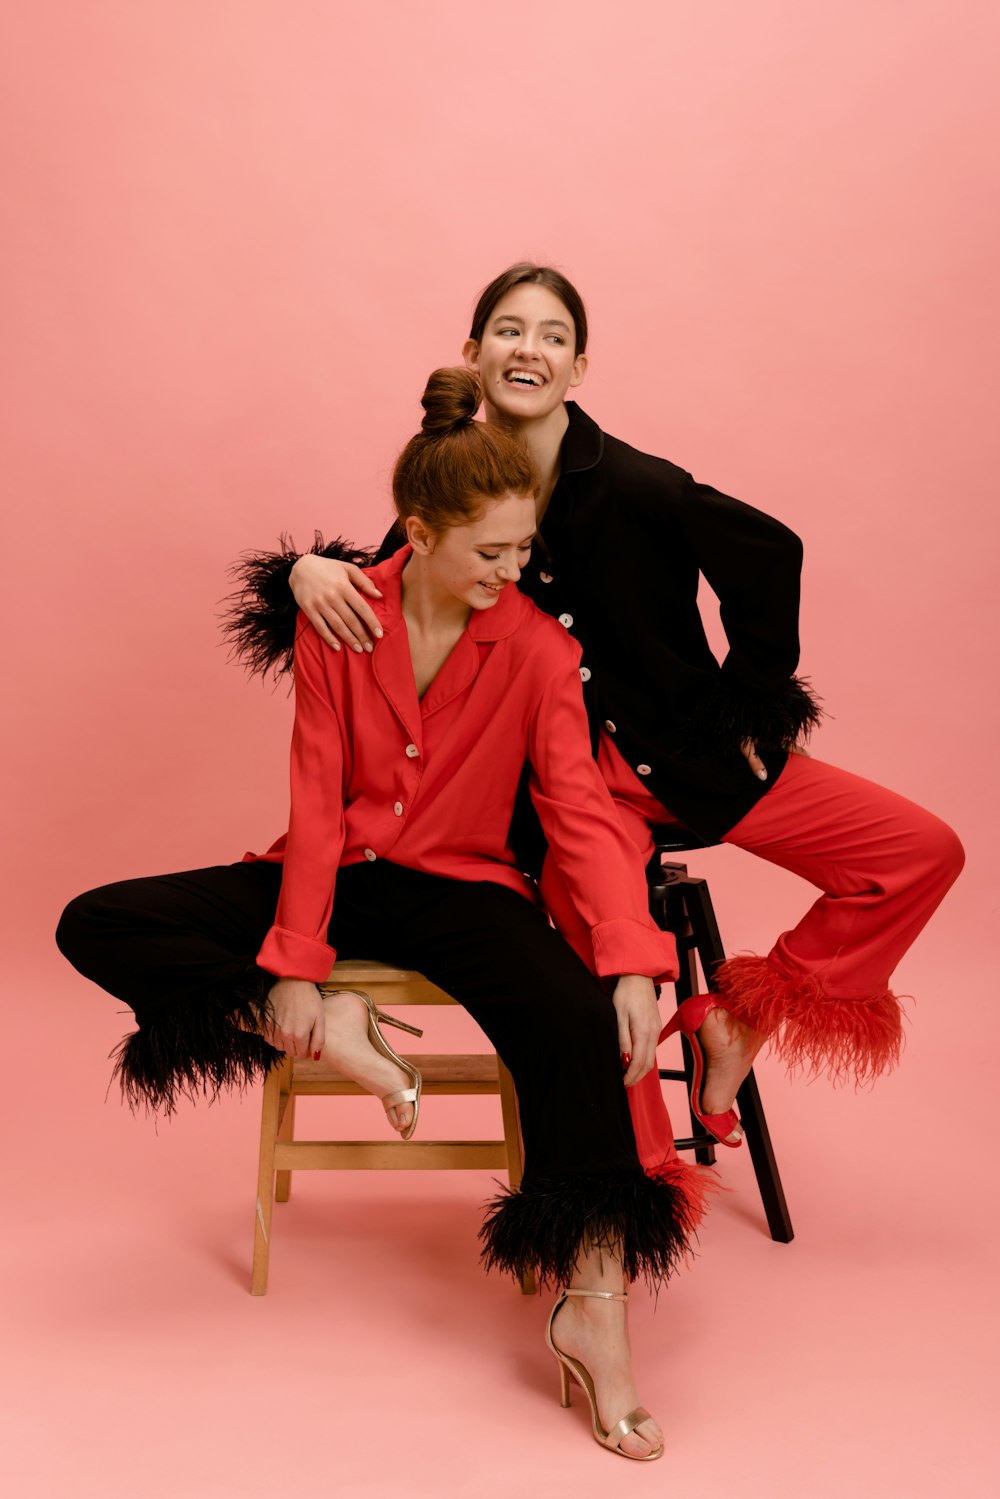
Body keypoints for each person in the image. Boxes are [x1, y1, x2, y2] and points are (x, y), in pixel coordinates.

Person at [56, 368, 719, 1462]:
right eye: (490, 552)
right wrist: (300, 974)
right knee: (99, 919)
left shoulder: (543, 653)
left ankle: (592, 1307)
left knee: (571, 1022)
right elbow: (315, 805)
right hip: (342, 873)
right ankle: (321, 1028)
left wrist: (635, 960)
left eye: (522, 550)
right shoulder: (338, 618)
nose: (514, 573)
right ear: (419, 530)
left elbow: (577, 809)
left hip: (465, 889)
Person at [237, 263, 964, 1155]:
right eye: (509, 329)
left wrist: (751, 698)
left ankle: (734, 1021)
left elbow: (772, 553)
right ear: (473, 352)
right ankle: (632, 1199)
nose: (528, 348)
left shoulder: (639, 487)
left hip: (692, 756)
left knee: (919, 852)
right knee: (604, 986)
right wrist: (299, 574)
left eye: (553, 335)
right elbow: (395, 585)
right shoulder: (457, 486)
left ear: (579, 367)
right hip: (569, 800)